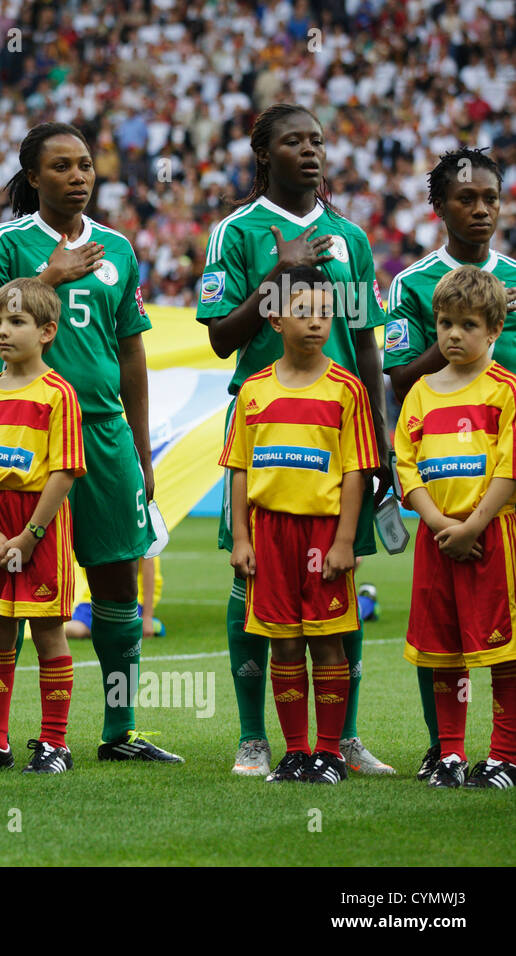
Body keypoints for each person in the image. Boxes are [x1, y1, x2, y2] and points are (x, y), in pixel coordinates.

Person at [0, 121, 181, 763]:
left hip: (104, 433)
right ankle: (7, 737)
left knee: (116, 584)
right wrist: (46, 277)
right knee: (21, 595)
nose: (78, 176)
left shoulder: (118, 247)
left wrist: (140, 451)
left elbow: (131, 352)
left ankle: (120, 731)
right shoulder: (6, 242)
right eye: (61, 166)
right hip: (26, 438)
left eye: (85, 165)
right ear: (33, 178)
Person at [196, 104, 393, 776]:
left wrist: (383, 434)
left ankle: (343, 738)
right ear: (263, 152)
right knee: (250, 576)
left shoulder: (350, 238)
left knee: (341, 573)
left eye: (317, 140)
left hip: (342, 427)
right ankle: (255, 737)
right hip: (263, 421)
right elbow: (222, 339)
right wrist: (278, 274)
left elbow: (366, 343)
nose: (310, 151)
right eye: (292, 141)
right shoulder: (237, 231)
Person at [381, 146, 516, 781]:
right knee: (442, 636)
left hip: (503, 495)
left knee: (505, 638)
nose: (483, 208)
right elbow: (399, 377)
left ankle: (505, 753)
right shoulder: (412, 284)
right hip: (443, 494)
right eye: (468, 198)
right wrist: (460, 352)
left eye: (492, 197)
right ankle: (449, 750)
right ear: (439, 207)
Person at [222, 267, 379, 784]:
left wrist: (345, 540)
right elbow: (240, 469)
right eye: (303, 312)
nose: (316, 323)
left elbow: (356, 471)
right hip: (268, 534)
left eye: (324, 312)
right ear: (275, 319)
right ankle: (294, 752)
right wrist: (242, 538)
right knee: (285, 643)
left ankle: (329, 752)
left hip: (322, 535)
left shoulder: (347, 389)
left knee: (326, 640)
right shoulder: (253, 391)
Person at [0, 277, 86, 774]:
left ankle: (54, 744)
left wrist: (31, 536)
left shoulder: (58, 394)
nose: (1, 331)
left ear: (47, 331)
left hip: (37, 524)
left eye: (16, 322)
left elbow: (64, 469)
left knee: (49, 631)